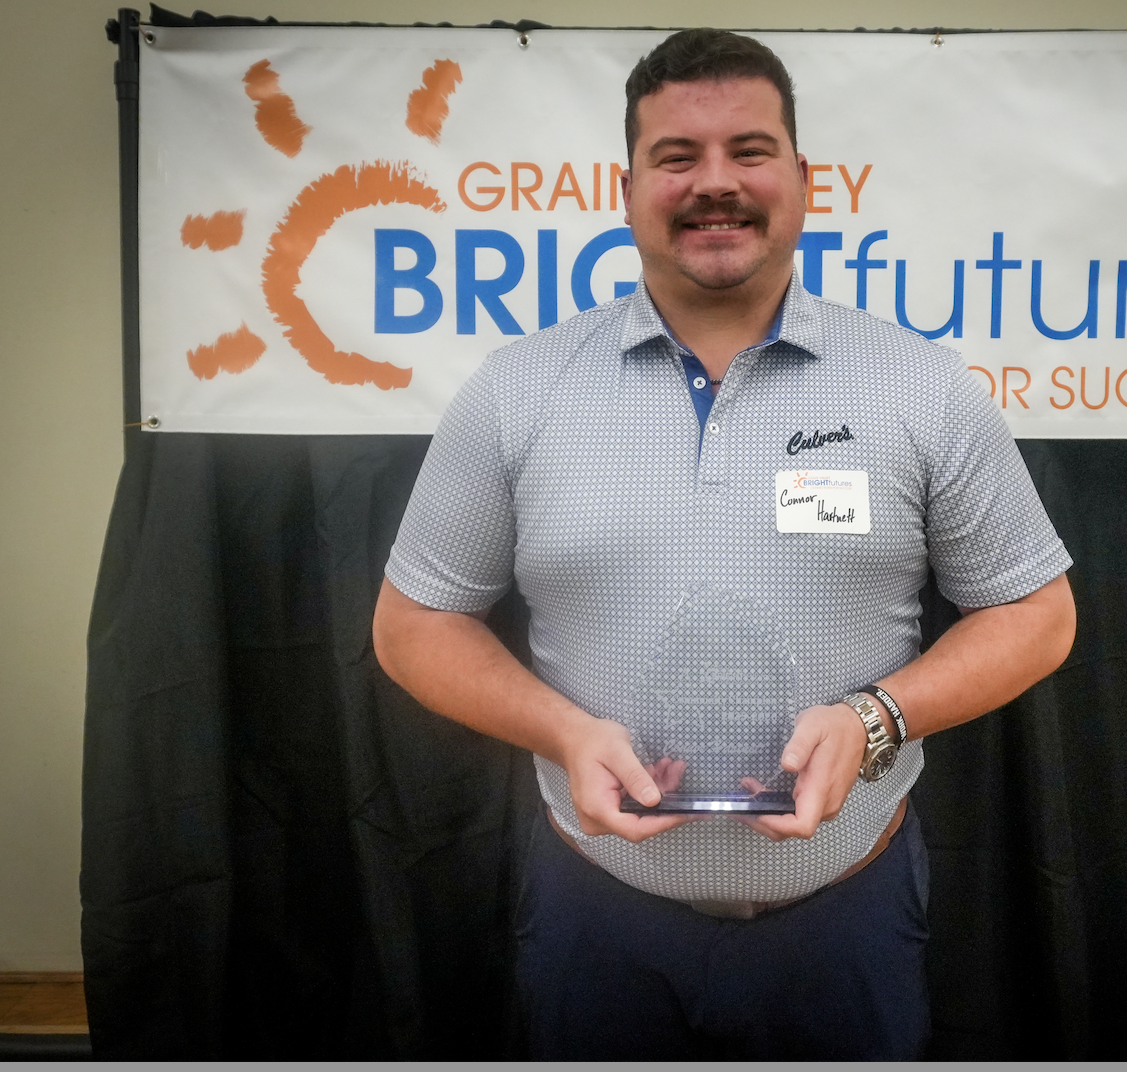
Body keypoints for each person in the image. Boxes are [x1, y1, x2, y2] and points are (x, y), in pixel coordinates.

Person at [372, 28, 1075, 1060]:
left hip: (846, 922)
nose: (716, 184)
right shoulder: (518, 391)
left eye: (749, 151)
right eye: (676, 156)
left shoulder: (920, 387)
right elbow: (412, 625)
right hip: (593, 917)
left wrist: (878, 718)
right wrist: (563, 733)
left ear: (802, 177)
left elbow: (1037, 613)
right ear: (626, 187)